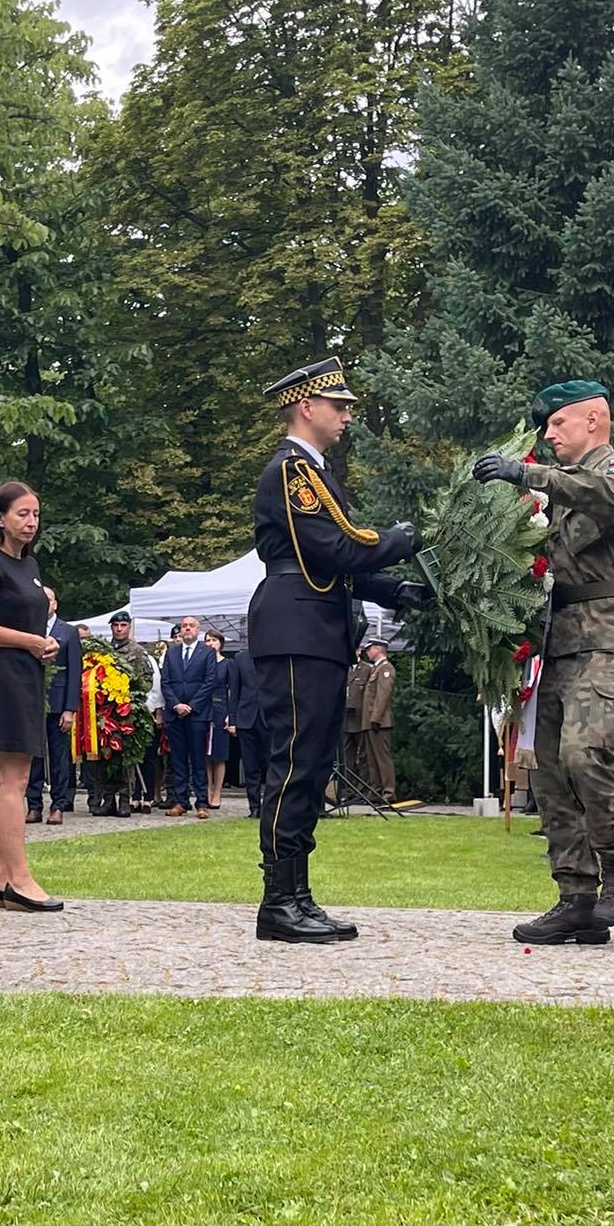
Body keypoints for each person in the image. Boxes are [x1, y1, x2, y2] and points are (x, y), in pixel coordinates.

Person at [249, 359, 429, 941]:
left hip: (314, 625)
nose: (347, 414)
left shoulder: (315, 473)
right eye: (339, 405)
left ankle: (296, 894)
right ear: (307, 406)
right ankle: (280, 900)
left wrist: (393, 590)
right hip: (297, 627)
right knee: (296, 760)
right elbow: (341, 545)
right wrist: (411, 536)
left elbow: (335, 560)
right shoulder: (292, 471)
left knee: (314, 760)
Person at [474, 381, 614, 946]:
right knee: (548, 769)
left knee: (584, 752)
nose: (548, 436)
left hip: (610, 636)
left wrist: (528, 476)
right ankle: (575, 896)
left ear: (594, 420)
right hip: (563, 640)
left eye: (557, 425)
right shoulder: (564, 491)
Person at [0, 481, 63, 911]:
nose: (31, 522)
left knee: (10, 781)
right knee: (14, 780)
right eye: (23, 514)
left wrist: (42, 643)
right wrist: (29, 640)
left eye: (36, 515)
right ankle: (19, 879)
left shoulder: (30, 565)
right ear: (1, 518)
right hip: (0, 674)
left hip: (26, 673)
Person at [25, 585, 80, 826]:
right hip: (32, 702)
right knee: (33, 757)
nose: (44, 604)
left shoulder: (67, 632)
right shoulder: (28, 630)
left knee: (59, 757)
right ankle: (33, 805)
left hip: (58, 704)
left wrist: (70, 709)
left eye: (48, 600)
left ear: (55, 604)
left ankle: (58, 804)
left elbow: (74, 673)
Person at [161, 616, 218, 817]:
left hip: (197, 714)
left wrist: (191, 706)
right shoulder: (172, 653)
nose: (187, 629)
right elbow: (165, 682)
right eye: (184, 626)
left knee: (198, 759)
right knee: (178, 759)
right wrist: (176, 704)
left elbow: (210, 682)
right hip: (175, 714)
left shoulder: (207, 652)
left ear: (198, 630)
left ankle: (201, 802)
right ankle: (180, 801)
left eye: (191, 626)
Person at [103, 611, 157, 815]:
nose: (119, 629)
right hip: (106, 710)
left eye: (123, 625)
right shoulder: (104, 650)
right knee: (106, 755)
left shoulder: (138, 651)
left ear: (129, 628)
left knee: (127, 757)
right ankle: (108, 799)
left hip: (127, 710)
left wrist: (128, 691)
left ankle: (126, 799)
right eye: (116, 625)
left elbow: (147, 682)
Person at [226, 641, 265, 817]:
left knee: (271, 765)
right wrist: (232, 719)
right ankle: (254, 807)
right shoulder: (240, 658)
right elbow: (235, 691)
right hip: (246, 718)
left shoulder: (273, 656)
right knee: (250, 766)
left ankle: (271, 807)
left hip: (269, 718)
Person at [361, 641, 397, 804]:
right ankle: (375, 791)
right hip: (370, 721)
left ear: (378, 649)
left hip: (379, 721)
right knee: (372, 759)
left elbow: (383, 696)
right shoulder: (376, 668)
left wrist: (376, 718)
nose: (367, 652)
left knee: (382, 758)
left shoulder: (385, 669)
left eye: (369, 649)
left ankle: (388, 792)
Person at [202, 628, 232, 809]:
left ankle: (217, 792)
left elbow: (233, 690)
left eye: (214, 640)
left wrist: (231, 714)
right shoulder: (202, 663)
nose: (210, 643)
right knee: (205, 754)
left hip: (221, 710)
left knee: (219, 755)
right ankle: (207, 789)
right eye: (207, 640)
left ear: (220, 643)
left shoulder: (228, 664)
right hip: (204, 710)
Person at [341, 654, 370, 785]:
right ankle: (348, 786)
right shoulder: (343, 668)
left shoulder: (366, 669)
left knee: (363, 755)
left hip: (361, 718)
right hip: (345, 719)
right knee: (347, 756)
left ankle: (363, 786)